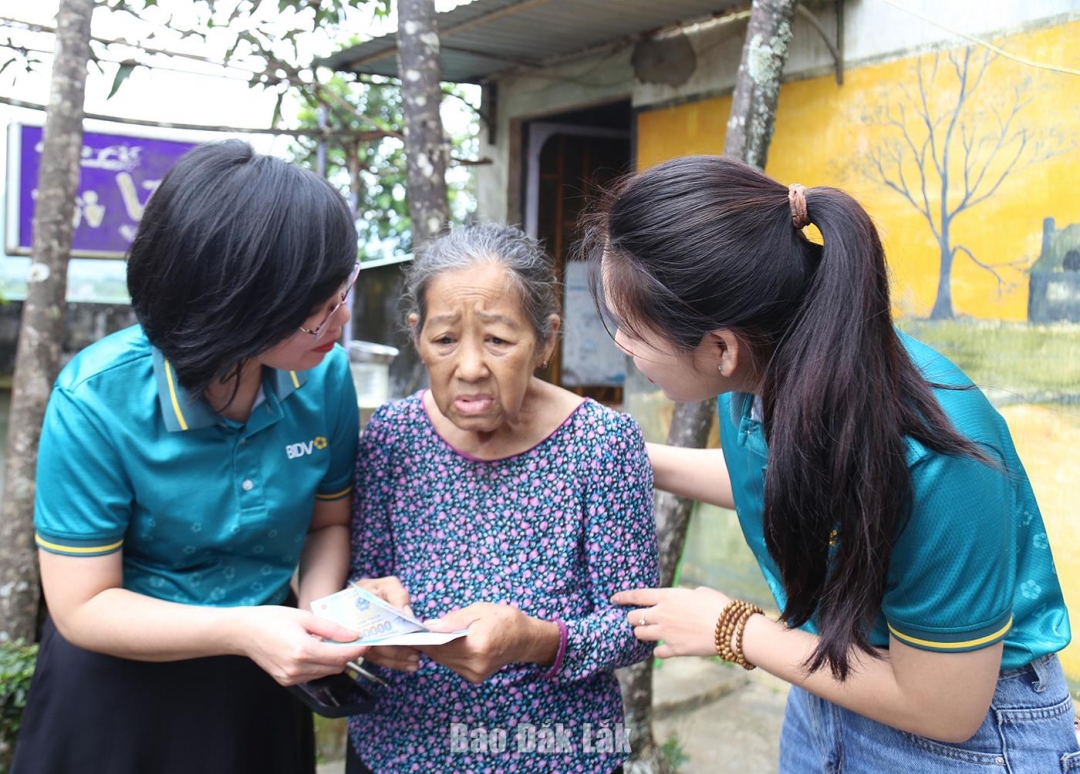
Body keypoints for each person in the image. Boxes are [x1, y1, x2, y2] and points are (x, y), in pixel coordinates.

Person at [587, 155, 1079, 772]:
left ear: (719, 347)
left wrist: (731, 627)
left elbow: (944, 707)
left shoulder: (939, 458)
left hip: (965, 732)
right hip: (830, 680)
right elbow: (779, 486)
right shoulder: (764, 370)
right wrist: (615, 449)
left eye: (631, 330)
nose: (622, 346)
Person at [13, 140, 371, 774]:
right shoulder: (98, 398)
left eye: (342, 290)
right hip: (117, 687)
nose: (339, 321)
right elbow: (84, 606)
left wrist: (320, 616)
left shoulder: (323, 377)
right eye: (316, 310)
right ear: (237, 306)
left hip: (264, 673)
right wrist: (246, 630)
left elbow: (327, 522)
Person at [344, 223, 659, 773]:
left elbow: (636, 627)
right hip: (396, 748)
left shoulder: (603, 445)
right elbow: (361, 578)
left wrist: (535, 640)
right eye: (444, 340)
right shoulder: (391, 436)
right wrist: (370, 614)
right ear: (417, 336)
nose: (468, 368)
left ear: (545, 341)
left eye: (497, 340)